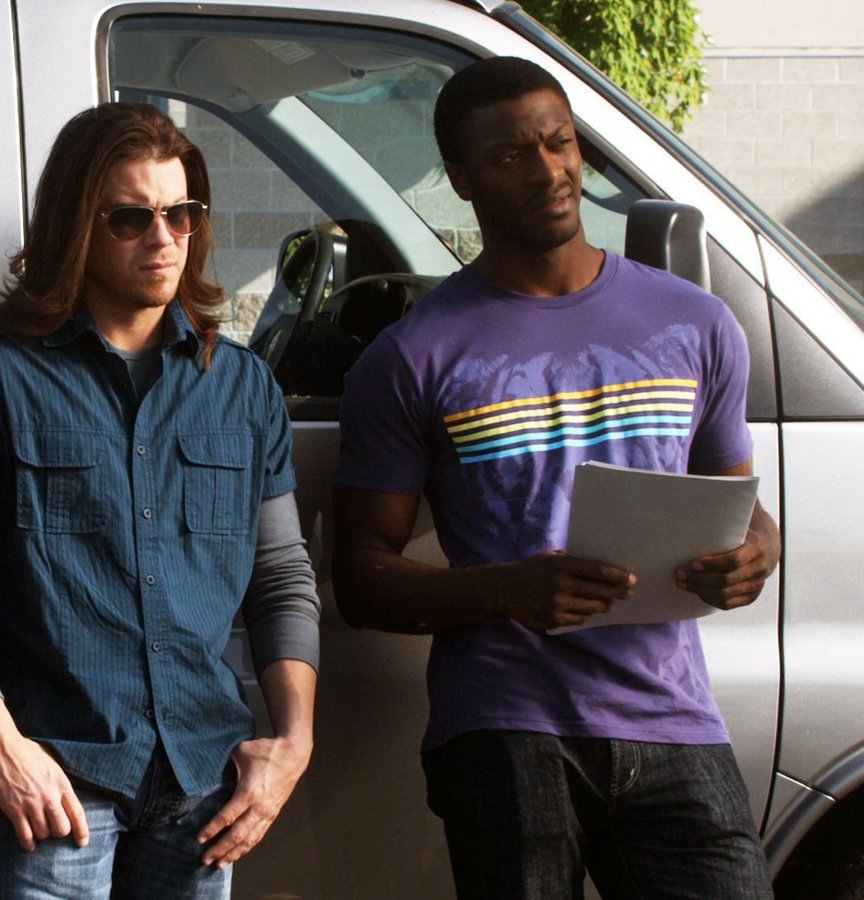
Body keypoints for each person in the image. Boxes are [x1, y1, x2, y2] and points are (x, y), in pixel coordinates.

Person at [332, 56, 780, 899]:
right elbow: (360, 580)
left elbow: (742, 508)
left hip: (675, 714)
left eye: (559, 142)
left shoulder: (696, 323)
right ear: (460, 179)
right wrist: (507, 589)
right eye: (511, 155)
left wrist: (756, 554)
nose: (548, 171)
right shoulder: (412, 357)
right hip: (506, 721)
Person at [0, 101, 321, 898]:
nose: (164, 238)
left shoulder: (242, 386)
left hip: (204, 780)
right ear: (74, 227)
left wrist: (293, 742)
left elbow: (281, 576)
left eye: (181, 214)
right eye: (131, 218)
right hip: (57, 781)